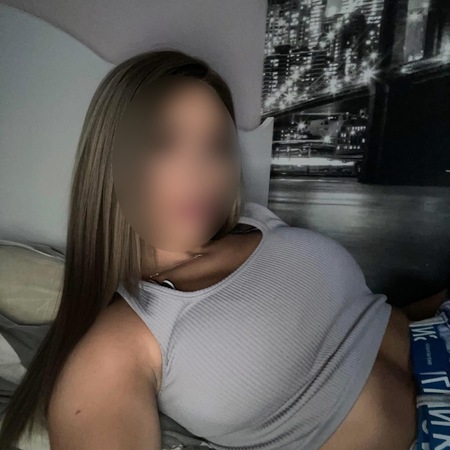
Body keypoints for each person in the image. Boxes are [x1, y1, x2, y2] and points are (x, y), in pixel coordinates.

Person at [0, 48, 448, 450]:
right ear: (111, 162)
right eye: (164, 142)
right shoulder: (115, 349)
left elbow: (365, 325)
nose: (202, 171)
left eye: (217, 146)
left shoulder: (256, 222)